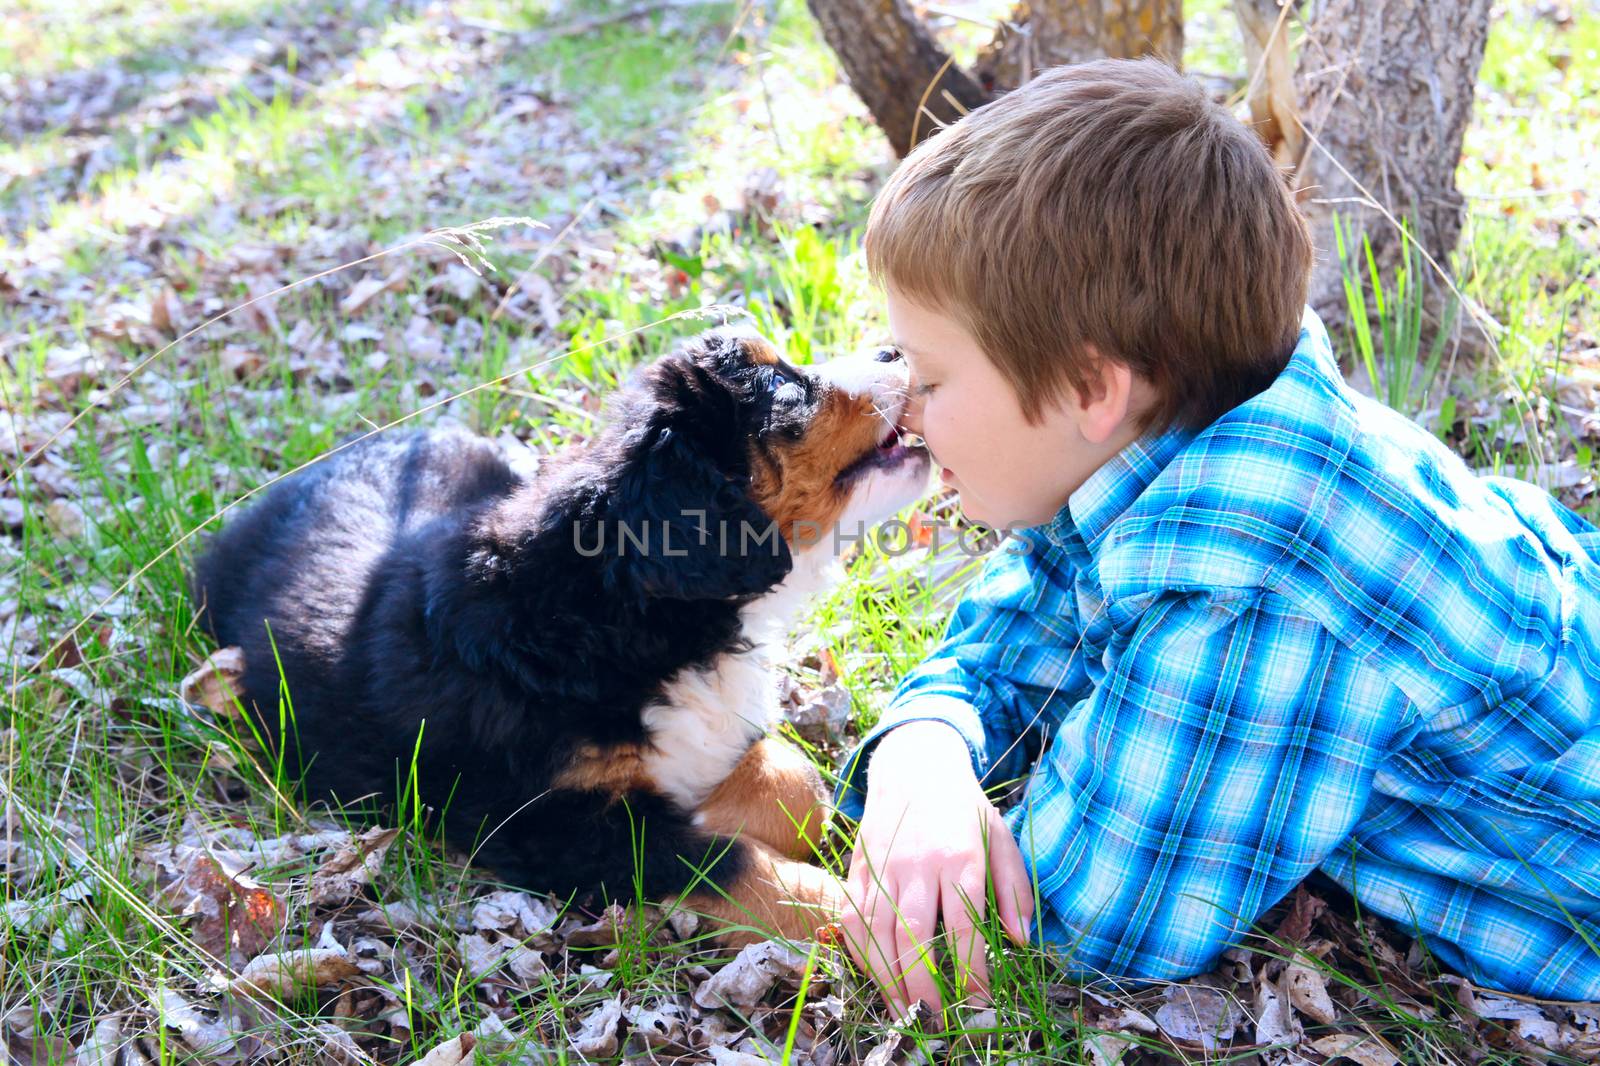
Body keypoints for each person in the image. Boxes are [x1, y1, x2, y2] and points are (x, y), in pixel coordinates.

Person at [833, 56, 1600, 1013]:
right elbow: (1020, 629)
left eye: (930, 377)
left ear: (1089, 388)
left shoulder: (1254, 589)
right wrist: (921, 755)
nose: (900, 411)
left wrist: (934, 845)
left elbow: (1084, 925)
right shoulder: (1174, 425)